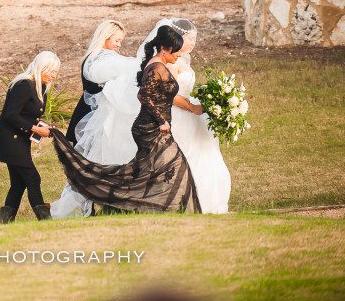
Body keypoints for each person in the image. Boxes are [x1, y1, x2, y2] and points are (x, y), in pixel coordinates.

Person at [51, 25, 201, 214]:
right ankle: (163, 207)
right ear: (165, 48)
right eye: (176, 52)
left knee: (145, 170)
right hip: (150, 127)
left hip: (154, 126)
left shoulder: (156, 65)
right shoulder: (153, 68)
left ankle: (156, 206)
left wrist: (188, 105)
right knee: (169, 166)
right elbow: (143, 96)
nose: (178, 56)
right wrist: (162, 120)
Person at [51, 19, 137, 218]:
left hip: (98, 120)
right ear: (105, 37)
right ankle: (84, 207)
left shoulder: (104, 58)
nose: (119, 44)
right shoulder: (99, 61)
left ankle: (106, 205)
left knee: (99, 166)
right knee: (90, 168)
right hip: (91, 121)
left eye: (121, 41)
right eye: (116, 40)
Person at [165, 18, 231, 214]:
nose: (193, 43)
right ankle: (185, 202)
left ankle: (208, 201)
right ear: (177, 38)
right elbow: (170, 94)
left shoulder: (184, 59)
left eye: (195, 39)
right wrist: (192, 107)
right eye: (189, 39)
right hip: (179, 115)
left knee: (205, 154)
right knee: (187, 155)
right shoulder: (171, 61)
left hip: (193, 114)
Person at [0, 51, 58, 223]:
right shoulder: (24, 85)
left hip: (20, 140)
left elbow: (28, 114)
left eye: (56, 72)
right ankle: (46, 221)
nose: (54, 76)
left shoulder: (41, 88)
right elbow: (10, 115)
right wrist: (35, 128)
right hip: (9, 140)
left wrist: (42, 127)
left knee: (18, 183)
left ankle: (5, 224)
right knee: (33, 178)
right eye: (51, 71)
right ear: (41, 68)